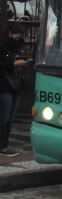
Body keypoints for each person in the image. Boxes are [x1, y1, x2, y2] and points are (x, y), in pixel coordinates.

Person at [0, 22, 28, 157]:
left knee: (10, 116)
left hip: (15, 84)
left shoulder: (17, 47)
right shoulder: (3, 46)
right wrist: (13, 64)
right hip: (4, 84)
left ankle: (4, 144)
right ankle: (2, 145)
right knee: (4, 116)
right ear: (10, 33)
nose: (18, 38)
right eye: (17, 35)